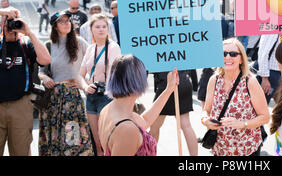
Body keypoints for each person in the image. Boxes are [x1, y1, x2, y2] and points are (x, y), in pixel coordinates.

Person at [38, 11, 93, 156]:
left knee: (72, 138)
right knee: (53, 138)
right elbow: (40, 71)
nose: (67, 23)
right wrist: (44, 78)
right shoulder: (49, 45)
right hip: (53, 99)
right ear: (55, 26)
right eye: (62, 21)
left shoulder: (80, 42)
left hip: (72, 99)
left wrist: (83, 83)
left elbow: (94, 63)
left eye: (68, 20)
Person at [98, 56, 178, 156]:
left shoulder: (108, 110)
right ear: (137, 81)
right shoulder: (127, 130)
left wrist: (169, 89)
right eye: (145, 73)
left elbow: (145, 121)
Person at [203, 38, 270, 156]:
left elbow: (265, 117)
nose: (228, 57)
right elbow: (206, 111)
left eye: (233, 54)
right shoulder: (214, 80)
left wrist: (242, 124)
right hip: (220, 148)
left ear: (241, 59)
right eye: (223, 54)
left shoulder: (250, 82)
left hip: (246, 149)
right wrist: (205, 121)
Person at [0, 7, 51, 156]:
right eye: (8, 23)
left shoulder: (26, 44)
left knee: (21, 151)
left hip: (20, 105)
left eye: (14, 23)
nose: (11, 27)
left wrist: (29, 32)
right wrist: (3, 12)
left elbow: (46, 60)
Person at [79, 14, 122, 155]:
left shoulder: (113, 47)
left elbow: (115, 75)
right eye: (97, 27)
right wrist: (86, 86)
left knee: (107, 140)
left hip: (107, 96)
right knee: (97, 141)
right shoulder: (91, 48)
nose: (101, 29)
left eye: (104, 26)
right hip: (91, 96)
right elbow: (80, 74)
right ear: (91, 29)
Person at [150, 69, 198, 156]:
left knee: (154, 125)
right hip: (183, 81)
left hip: (166, 83)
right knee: (186, 125)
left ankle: (150, 154)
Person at [257, 34, 281, 104]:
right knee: (262, 104)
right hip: (270, 73)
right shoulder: (272, 27)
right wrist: (264, 78)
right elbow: (263, 53)